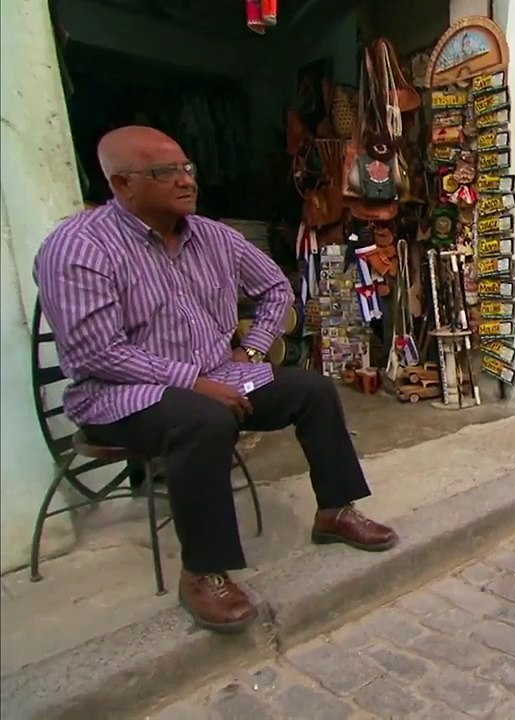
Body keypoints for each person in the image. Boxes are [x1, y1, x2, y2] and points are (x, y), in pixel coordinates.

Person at [33, 126, 398, 634]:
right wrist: (192, 381)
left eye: (187, 169)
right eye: (165, 173)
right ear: (121, 185)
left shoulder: (213, 235)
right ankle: (203, 572)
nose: (185, 181)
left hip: (219, 375)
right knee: (202, 419)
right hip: (120, 396)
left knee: (310, 389)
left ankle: (335, 510)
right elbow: (95, 352)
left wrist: (250, 350)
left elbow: (275, 288)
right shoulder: (78, 247)